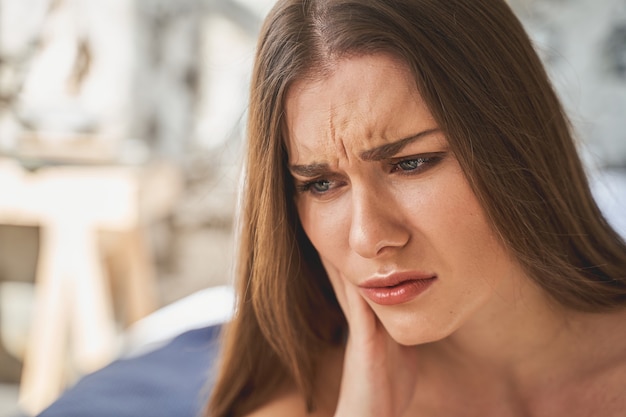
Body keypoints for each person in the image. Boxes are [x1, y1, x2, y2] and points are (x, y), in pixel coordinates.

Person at [205, 0, 626, 416]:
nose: (368, 238)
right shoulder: (304, 402)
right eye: (321, 184)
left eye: (411, 163)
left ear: (517, 144)